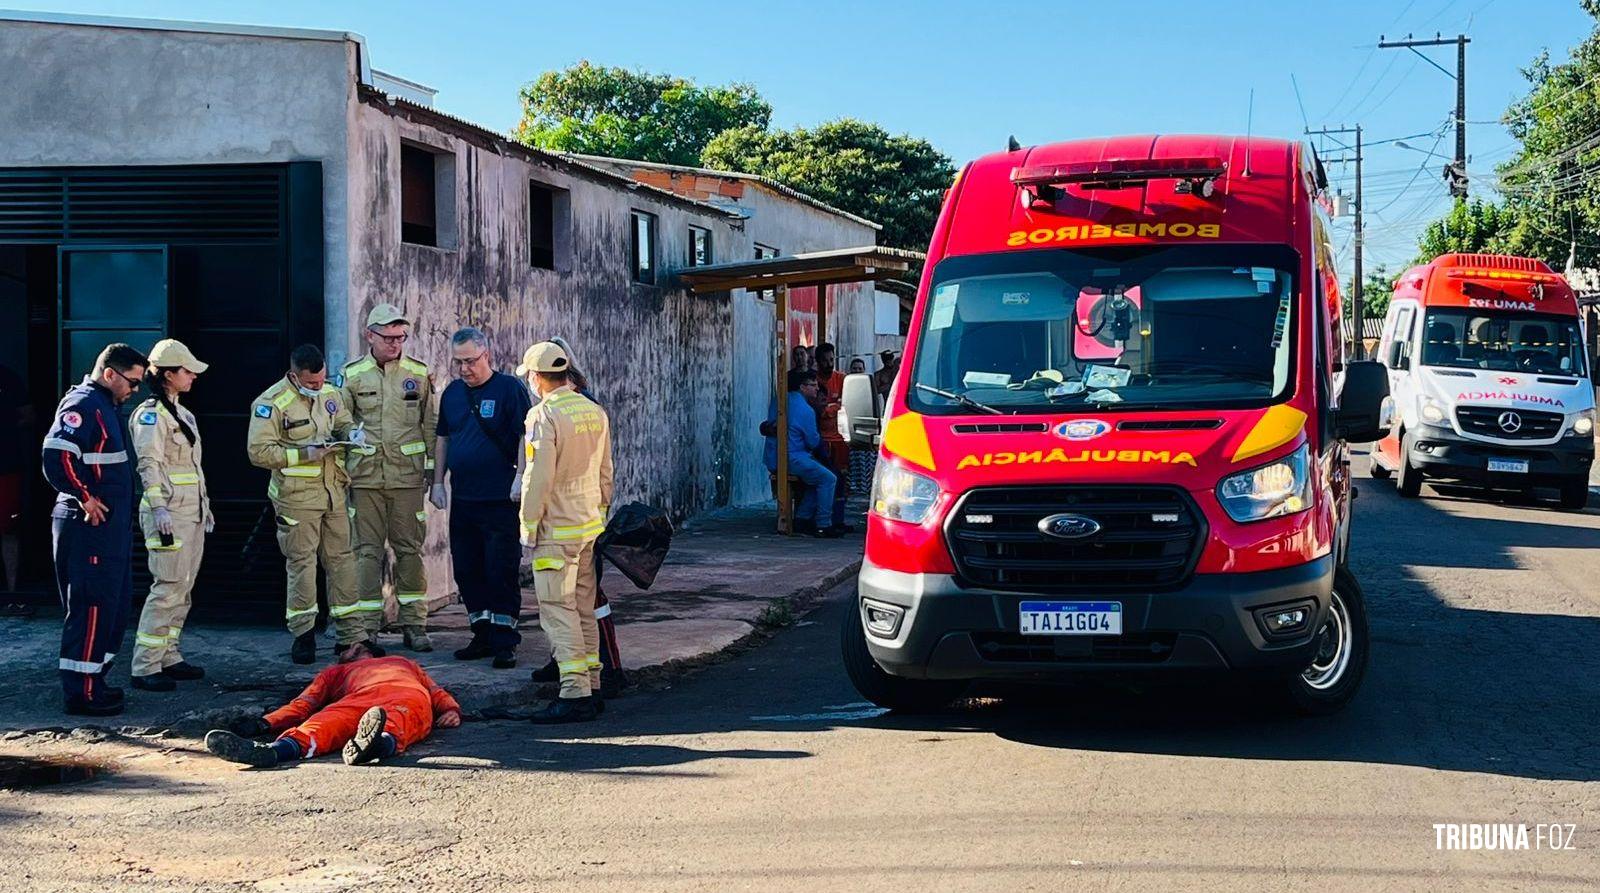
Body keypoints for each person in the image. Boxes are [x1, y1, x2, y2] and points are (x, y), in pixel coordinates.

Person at [247, 345, 371, 665]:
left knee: (343, 561)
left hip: (333, 491)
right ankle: (303, 636)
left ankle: (351, 637)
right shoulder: (271, 403)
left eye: (321, 380)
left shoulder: (330, 392)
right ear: (294, 375)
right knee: (302, 564)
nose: (318, 387)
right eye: (311, 383)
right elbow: (259, 452)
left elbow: (342, 421)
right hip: (296, 497)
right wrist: (305, 453)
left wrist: (352, 434)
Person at [41, 343, 147, 716]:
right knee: (91, 606)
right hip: (89, 527)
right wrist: (85, 496)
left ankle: (96, 680)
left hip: (110, 528)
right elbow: (57, 454)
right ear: (110, 374)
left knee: (113, 605)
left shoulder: (107, 407)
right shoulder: (84, 405)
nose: (135, 390)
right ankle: (81, 693)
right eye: (132, 382)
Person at [518, 340, 614, 723]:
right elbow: (606, 472)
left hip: (556, 529)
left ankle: (574, 691)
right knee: (582, 606)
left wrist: (528, 525)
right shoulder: (593, 410)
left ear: (538, 378)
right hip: (588, 525)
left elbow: (536, 478)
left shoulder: (543, 416)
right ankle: (592, 682)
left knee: (558, 609)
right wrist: (601, 511)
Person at [433, 327, 532, 669]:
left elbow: (524, 433)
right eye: (458, 362)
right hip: (464, 499)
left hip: (500, 498)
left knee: (500, 569)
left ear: (486, 354)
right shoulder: (452, 394)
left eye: (471, 361)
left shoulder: (508, 389)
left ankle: (505, 640)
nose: (464, 369)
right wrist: (437, 482)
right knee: (467, 569)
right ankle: (482, 633)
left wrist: (521, 476)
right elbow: (443, 438)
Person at [342, 304, 438, 653]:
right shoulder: (351, 376)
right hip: (364, 479)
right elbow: (341, 424)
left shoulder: (418, 373)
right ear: (370, 335)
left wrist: (433, 475)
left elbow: (429, 424)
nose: (395, 344)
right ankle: (368, 628)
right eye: (388, 337)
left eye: (401, 337)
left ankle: (415, 624)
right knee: (366, 553)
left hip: (408, 480)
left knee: (409, 551)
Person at [202, 641, 462, 767]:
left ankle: (372, 744)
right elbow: (435, 691)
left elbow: (304, 703)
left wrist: (451, 710)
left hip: (395, 695)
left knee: (328, 725)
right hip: (388, 698)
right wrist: (265, 723)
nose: (340, 655)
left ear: (359, 648)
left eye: (344, 651)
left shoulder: (400, 662)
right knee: (323, 724)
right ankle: (269, 751)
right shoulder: (401, 663)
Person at [127, 339, 212, 692]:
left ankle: (168, 654)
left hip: (189, 513)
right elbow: (149, 464)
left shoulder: (182, 413)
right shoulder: (151, 415)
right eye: (186, 370)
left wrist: (205, 507)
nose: (192, 376)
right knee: (167, 588)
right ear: (167, 375)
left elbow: (192, 468)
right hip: (168, 515)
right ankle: (145, 665)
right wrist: (158, 505)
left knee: (184, 587)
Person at [765, 369, 843, 538]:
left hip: (773, 456)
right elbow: (813, 441)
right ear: (802, 387)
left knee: (817, 480)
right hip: (792, 457)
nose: (817, 389)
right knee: (829, 478)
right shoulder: (804, 409)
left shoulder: (778, 400)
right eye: (813, 385)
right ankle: (824, 523)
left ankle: (802, 518)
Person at [0, 362, 33, 593]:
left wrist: (6, 428)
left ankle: (12, 592)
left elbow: (29, 417)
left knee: (9, 529)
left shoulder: (7, 377)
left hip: (6, 466)